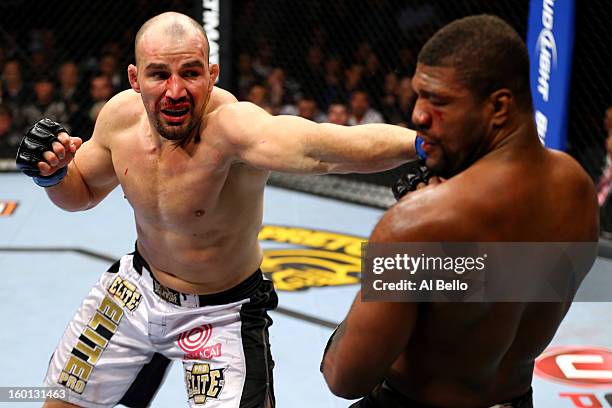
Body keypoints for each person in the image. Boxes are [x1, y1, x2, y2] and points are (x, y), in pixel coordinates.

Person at [15, 12, 419, 408]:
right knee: (62, 401)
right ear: (135, 79)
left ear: (212, 74)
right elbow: (81, 192)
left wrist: (422, 144)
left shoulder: (234, 129)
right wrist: (51, 175)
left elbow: (324, 149)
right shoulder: (119, 120)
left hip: (223, 310)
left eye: (190, 73)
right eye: (159, 75)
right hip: (135, 288)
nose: (175, 91)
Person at [321, 15, 598, 408]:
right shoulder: (577, 187)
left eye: (438, 100)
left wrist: (393, 261)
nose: (418, 115)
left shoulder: (419, 226)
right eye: (417, 95)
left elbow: (344, 376)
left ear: (498, 106)